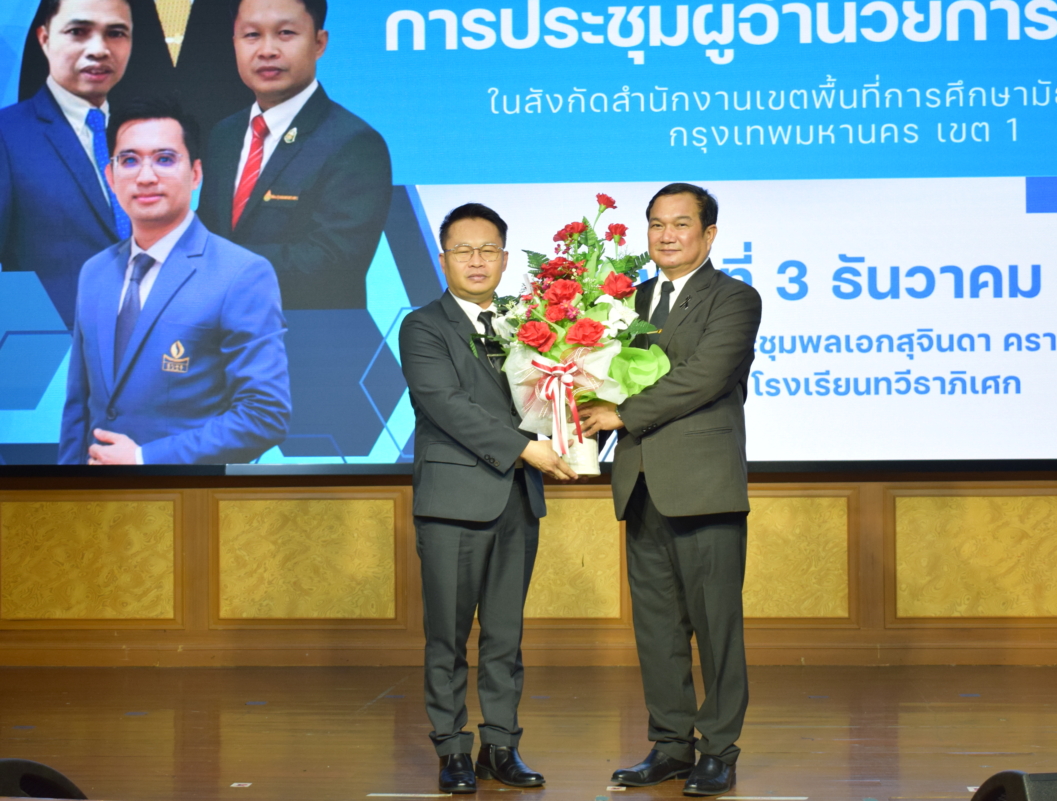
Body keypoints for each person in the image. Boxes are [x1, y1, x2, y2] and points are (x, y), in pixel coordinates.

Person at [579, 183, 762, 797]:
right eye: (656, 224)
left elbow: (705, 376)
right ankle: (670, 745)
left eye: (681, 224)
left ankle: (719, 749)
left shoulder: (734, 298)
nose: (666, 235)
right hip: (640, 483)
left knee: (716, 625)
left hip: (704, 484)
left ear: (709, 234)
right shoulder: (623, 300)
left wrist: (622, 414)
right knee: (657, 627)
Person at [399, 203, 577, 794]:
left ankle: (500, 746)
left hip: (517, 502)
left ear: (504, 257)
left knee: (506, 636)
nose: (477, 261)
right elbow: (446, 405)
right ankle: (452, 749)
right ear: (443, 258)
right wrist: (527, 449)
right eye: (464, 250)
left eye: (488, 250)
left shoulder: (529, 322)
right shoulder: (423, 326)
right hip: (453, 504)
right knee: (447, 638)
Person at [58, 96, 290, 465]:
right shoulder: (95, 272)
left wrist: (144, 459)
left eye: (165, 159)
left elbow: (263, 416)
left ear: (196, 173)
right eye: (129, 160)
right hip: (96, 497)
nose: (145, 176)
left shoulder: (241, 274)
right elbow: (78, 408)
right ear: (110, 176)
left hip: (186, 495)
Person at [196, 0, 392, 310]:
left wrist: (216, 264)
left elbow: (335, 261)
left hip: (310, 335)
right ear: (234, 43)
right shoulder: (224, 134)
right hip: (221, 333)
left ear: (319, 43)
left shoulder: (355, 143)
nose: (267, 50)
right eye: (252, 35)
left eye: (285, 33)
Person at [0, 0, 134, 328]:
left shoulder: (140, 134)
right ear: (45, 38)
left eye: (116, 33)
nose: (99, 49)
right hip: (53, 347)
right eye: (78, 32)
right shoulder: (7, 134)